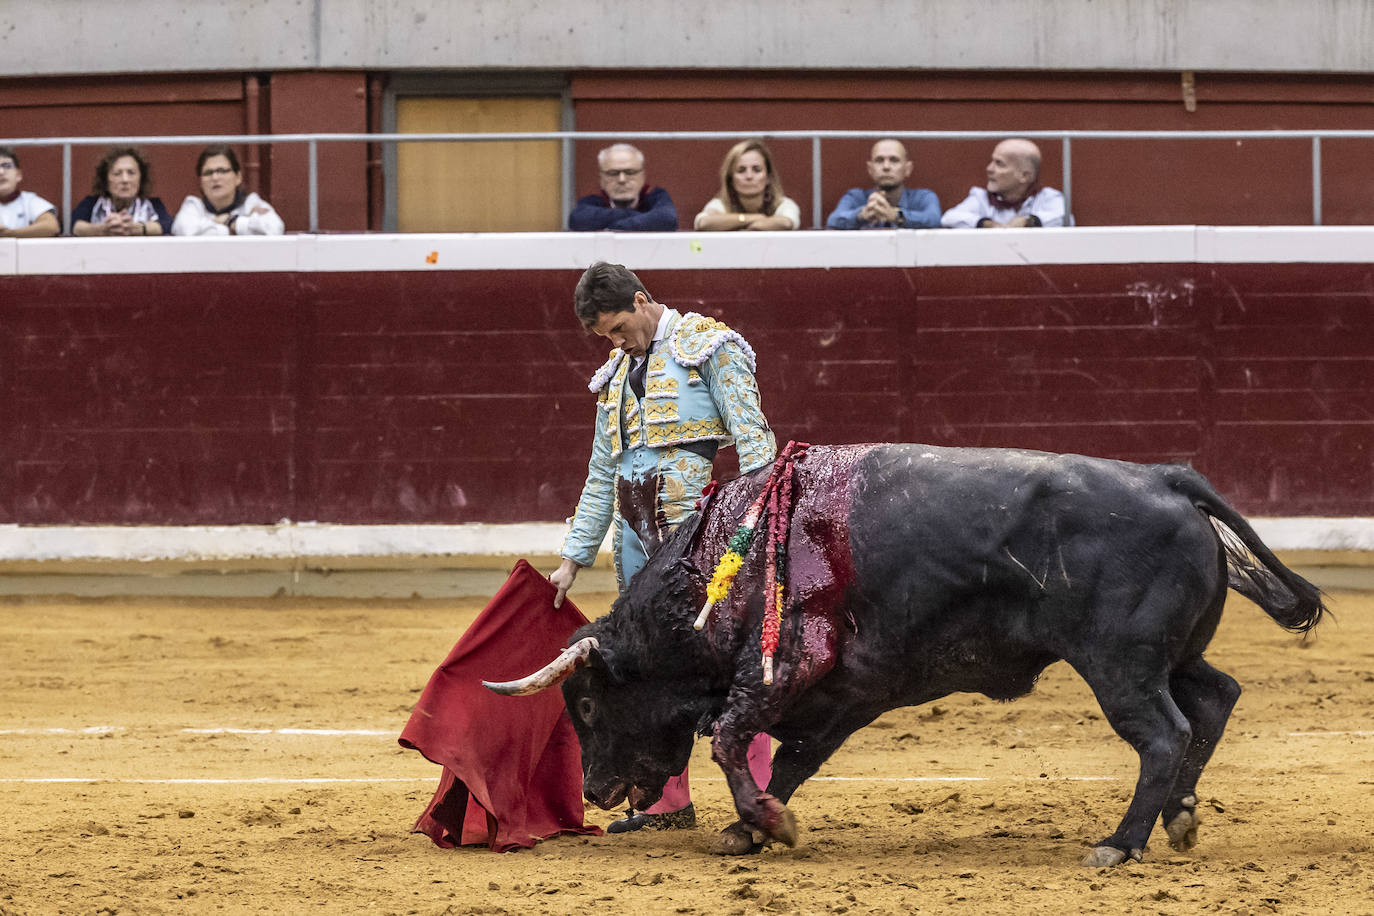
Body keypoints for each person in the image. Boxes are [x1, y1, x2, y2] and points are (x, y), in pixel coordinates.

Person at [551, 261, 776, 833]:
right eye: (606, 337)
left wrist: (753, 529)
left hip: (698, 534)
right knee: (648, 670)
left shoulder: (710, 346)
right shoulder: (613, 375)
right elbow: (603, 471)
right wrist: (573, 558)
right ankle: (664, 802)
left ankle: (759, 798)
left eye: (619, 329)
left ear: (643, 299)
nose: (616, 343)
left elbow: (754, 445)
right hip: (633, 537)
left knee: (725, 662)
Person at [941, 138, 1066, 228]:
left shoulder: (1048, 197)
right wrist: (986, 224)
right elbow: (949, 218)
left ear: (1024, 176)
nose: (989, 169)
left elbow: (1063, 217)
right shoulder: (981, 198)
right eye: (992, 161)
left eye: (999, 164)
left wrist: (1026, 222)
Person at [825, 139, 940, 229]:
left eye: (894, 160)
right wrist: (862, 215)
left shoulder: (924, 197)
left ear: (908, 169)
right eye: (879, 160)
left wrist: (896, 216)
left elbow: (934, 219)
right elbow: (833, 220)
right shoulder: (855, 197)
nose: (886, 167)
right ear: (870, 169)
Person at [171, 144, 284, 236]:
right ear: (200, 182)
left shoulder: (251, 203)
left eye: (222, 171)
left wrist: (229, 220)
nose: (215, 178)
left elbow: (275, 229)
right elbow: (184, 231)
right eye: (208, 173)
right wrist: (233, 228)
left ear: (238, 177)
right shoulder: (193, 207)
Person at [693, 139, 801, 231]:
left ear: (768, 177)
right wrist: (755, 218)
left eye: (757, 170)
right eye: (741, 170)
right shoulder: (720, 204)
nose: (749, 176)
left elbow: (786, 223)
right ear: (730, 178)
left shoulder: (783, 204)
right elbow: (704, 223)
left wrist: (733, 225)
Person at [568, 143, 677, 232]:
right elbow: (578, 219)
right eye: (613, 173)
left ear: (643, 176)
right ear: (601, 179)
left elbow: (667, 219)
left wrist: (612, 229)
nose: (622, 180)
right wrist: (644, 217)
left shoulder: (656, 196)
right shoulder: (592, 201)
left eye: (630, 172)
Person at [71, 147, 172, 237]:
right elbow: (75, 226)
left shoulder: (154, 204)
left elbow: (166, 225)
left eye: (131, 173)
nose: (125, 180)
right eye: (117, 174)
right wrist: (104, 229)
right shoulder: (90, 203)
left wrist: (135, 229)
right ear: (105, 180)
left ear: (141, 178)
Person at [0, 147, 61, 239]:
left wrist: (9, 234)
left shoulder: (29, 200)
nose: (1, 172)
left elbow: (51, 226)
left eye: (7, 166)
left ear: (18, 175)